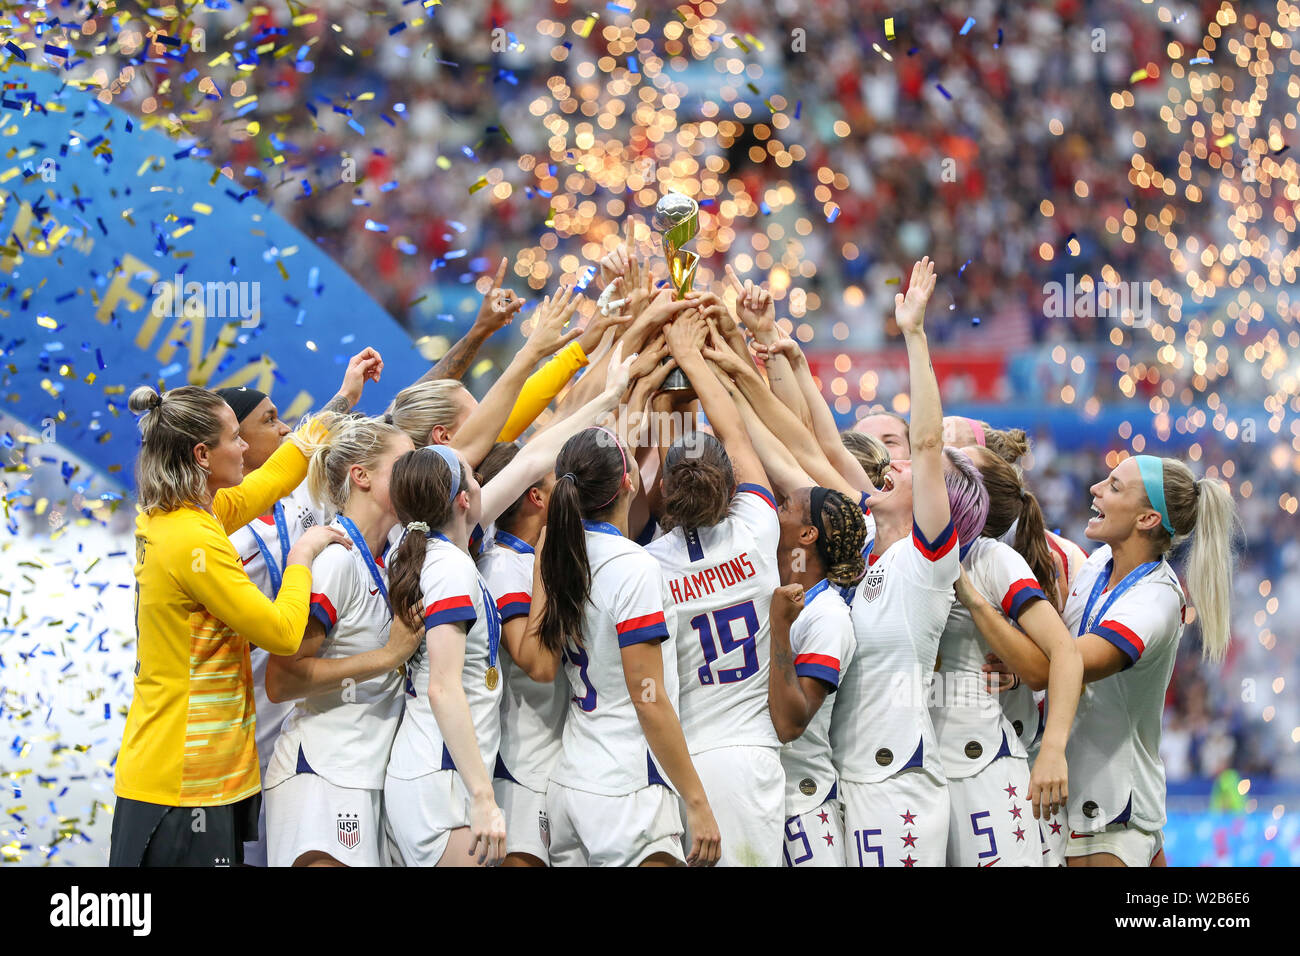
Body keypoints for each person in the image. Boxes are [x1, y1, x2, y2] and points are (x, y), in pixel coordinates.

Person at [384, 348, 637, 867]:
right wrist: (482, 796)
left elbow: (531, 460)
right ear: (461, 501)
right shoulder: (451, 568)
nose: (485, 481)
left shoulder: (432, 550)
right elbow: (442, 687)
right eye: (475, 479)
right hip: (443, 776)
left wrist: (610, 398)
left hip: (434, 768)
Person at [110, 385, 347, 867]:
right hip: (184, 782)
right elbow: (281, 633)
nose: (246, 448)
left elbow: (275, 479)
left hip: (192, 773)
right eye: (235, 438)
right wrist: (304, 554)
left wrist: (340, 400)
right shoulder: (195, 539)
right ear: (202, 454)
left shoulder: (184, 515)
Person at [827, 258, 987, 867]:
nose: (883, 466)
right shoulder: (855, 547)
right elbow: (817, 451)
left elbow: (925, 442)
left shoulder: (928, 558)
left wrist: (914, 336)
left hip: (900, 785)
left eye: (890, 452)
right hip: (848, 780)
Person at [217, 348, 384, 866]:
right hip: (232, 739)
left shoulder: (302, 508)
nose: (287, 428)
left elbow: (404, 428)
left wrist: (480, 333)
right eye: (270, 420)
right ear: (237, 445)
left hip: (296, 731)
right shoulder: (210, 532)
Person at [527, 427, 723, 866]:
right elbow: (647, 698)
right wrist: (697, 801)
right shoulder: (634, 566)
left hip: (572, 780)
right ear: (628, 483)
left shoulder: (559, 551)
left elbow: (540, 662)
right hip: (627, 789)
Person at [644, 310, 783, 867]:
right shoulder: (757, 531)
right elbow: (735, 434)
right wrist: (696, 358)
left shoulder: (647, 568)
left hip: (681, 763)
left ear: (661, 491)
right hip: (751, 756)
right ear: (728, 484)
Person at [1060, 455, 1238, 866]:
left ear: (1147, 519)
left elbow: (1067, 659)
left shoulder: (1157, 599)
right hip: (1087, 801)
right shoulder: (1098, 564)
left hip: (1110, 813)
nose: (1095, 488)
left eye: (1115, 486)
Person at [262, 418, 419, 867]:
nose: (415, 475)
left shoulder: (388, 559)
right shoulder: (335, 561)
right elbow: (282, 678)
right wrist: (388, 656)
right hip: (322, 772)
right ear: (361, 476)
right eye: (404, 465)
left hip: (366, 772)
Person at [932, 451, 1084, 866]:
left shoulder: (997, 559)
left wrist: (1054, 748)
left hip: (989, 761)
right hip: (920, 766)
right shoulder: (899, 552)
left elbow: (1052, 661)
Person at [474, 442, 565, 867]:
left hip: (549, 751)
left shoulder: (523, 556)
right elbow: (539, 664)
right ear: (536, 497)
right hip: (520, 757)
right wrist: (547, 570)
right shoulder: (504, 564)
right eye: (558, 483)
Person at [767, 487, 867, 867]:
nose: (774, 511)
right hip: (763, 795)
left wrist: (779, 629)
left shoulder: (828, 616)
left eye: (784, 506)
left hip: (804, 809)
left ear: (807, 535)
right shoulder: (767, 586)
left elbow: (791, 724)